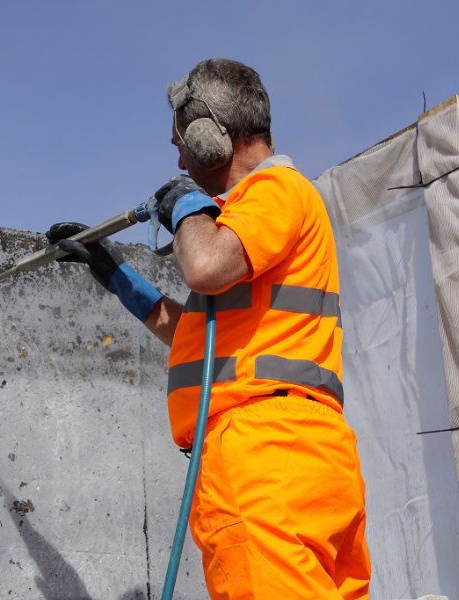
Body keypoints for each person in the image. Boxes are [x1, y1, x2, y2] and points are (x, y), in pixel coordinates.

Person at [47, 58, 371, 599]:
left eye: (180, 141)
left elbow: (204, 266)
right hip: (302, 453)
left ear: (210, 136)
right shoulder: (256, 221)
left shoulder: (274, 191)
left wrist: (186, 206)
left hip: (264, 453)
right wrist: (114, 275)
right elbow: (203, 336)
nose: (177, 155)